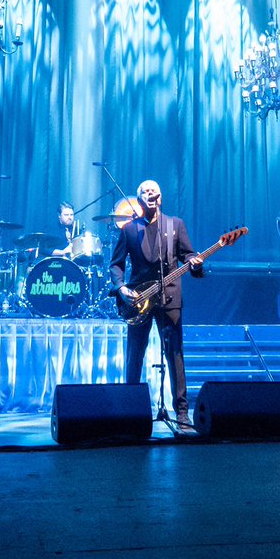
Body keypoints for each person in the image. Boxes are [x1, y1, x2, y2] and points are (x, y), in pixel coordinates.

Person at [107, 179, 203, 430]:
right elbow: (116, 264)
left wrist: (195, 262)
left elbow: (188, 254)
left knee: (175, 355)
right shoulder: (129, 230)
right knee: (134, 355)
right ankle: (130, 412)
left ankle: (182, 413)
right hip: (139, 299)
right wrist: (121, 287)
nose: (151, 194)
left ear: (160, 197)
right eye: (145, 191)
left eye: (154, 191)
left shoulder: (175, 225)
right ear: (139, 200)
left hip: (170, 297)